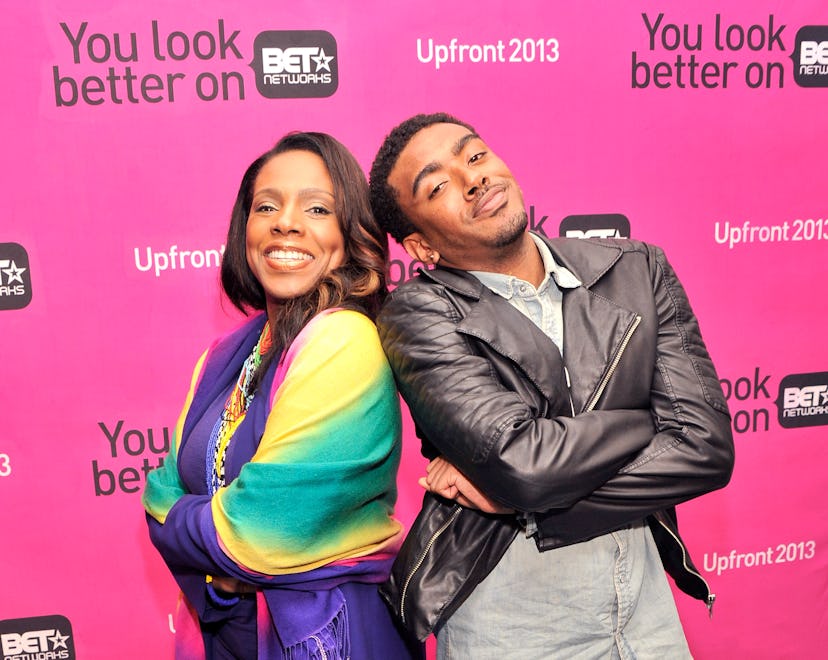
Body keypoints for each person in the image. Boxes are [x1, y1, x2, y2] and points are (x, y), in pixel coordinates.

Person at [367, 112, 735, 658]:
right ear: (421, 248)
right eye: (440, 185)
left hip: (646, 611)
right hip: (510, 622)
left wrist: (525, 506)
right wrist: (647, 423)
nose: (474, 179)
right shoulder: (418, 314)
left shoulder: (637, 269)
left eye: (475, 155)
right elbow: (524, 466)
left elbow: (705, 450)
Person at [142, 132, 423, 659]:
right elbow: (159, 488)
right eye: (266, 205)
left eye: (317, 208)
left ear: (350, 235)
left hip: (327, 638)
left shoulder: (345, 339)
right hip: (232, 633)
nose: (285, 222)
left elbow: (257, 535)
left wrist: (194, 532)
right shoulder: (228, 354)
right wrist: (223, 574)